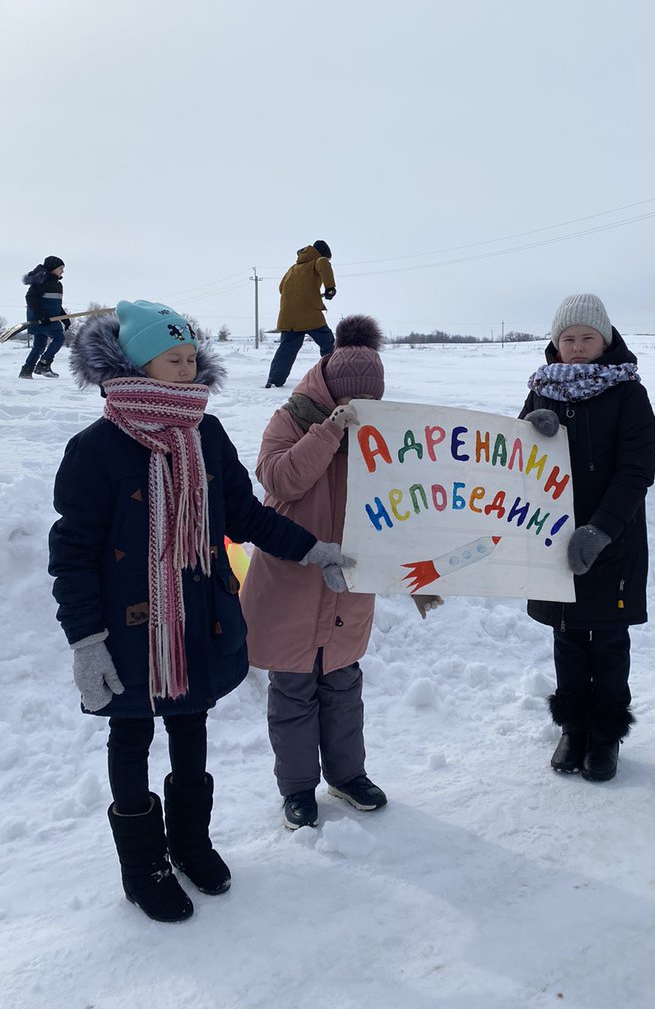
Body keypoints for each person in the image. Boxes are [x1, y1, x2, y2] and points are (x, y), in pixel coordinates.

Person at [49, 300, 353, 924]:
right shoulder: (95, 448)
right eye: (174, 359)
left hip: (196, 618)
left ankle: (189, 842)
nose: (188, 370)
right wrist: (86, 640)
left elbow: (244, 515)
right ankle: (144, 866)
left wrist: (311, 549)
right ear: (137, 363)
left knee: (191, 732)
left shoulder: (205, 434)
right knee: (130, 736)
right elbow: (72, 553)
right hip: (126, 629)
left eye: (193, 358)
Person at [241, 314, 440, 829]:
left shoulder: (384, 431)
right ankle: (298, 789)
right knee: (293, 694)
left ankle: (348, 775)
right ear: (329, 388)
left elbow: (407, 501)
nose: (359, 409)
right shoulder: (289, 419)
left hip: (349, 585)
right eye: (350, 400)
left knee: (343, 686)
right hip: (291, 581)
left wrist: (420, 576)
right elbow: (281, 481)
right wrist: (329, 433)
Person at [519, 293, 655, 783]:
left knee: (610, 641)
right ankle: (574, 727)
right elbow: (514, 460)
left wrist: (601, 530)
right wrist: (533, 429)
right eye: (568, 339)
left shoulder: (628, 394)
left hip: (611, 541)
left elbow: (637, 472)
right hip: (553, 539)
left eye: (587, 338)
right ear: (556, 344)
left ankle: (607, 733)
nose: (577, 347)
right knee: (569, 637)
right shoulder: (542, 390)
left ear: (605, 340)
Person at [265, 241, 337, 388]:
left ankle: (274, 381)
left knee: (287, 349)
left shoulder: (293, 268)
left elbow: (281, 288)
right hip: (309, 313)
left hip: (288, 316)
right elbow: (324, 264)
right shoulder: (319, 260)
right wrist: (330, 288)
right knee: (328, 342)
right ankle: (333, 375)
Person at [20, 254, 70, 378]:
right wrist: (42, 316)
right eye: (60, 268)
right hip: (42, 319)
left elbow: (56, 305)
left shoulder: (57, 284)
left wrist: (65, 319)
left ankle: (27, 371)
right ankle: (44, 364)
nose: (62, 271)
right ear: (52, 268)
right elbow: (30, 298)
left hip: (48, 319)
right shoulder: (43, 281)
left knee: (39, 345)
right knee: (59, 338)